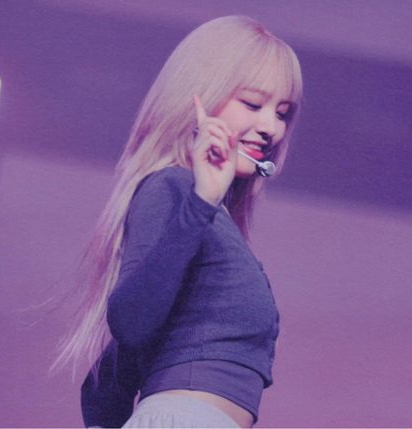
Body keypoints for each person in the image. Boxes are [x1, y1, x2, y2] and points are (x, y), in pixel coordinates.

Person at [55, 15, 303, 428]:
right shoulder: (175, 188)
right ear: (200, 96)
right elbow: (130, 321)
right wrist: (201, 201)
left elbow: (113, 373)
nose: (271, 128)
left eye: (282, 113)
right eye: (252, 104)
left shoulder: (207, 217)